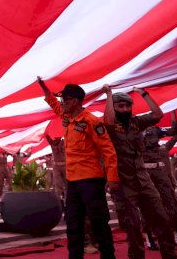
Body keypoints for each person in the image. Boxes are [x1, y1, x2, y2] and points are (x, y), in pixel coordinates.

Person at [37, 78, 119, 259]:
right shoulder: (67, 117)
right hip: (72, 182)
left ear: (74, 102)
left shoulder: (91, 121)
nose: (61, 104)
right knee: (73, 225)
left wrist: (112, 178)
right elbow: (53, 104)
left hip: (91, 181)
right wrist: (44, 88)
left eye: (64, 101)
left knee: (99, 224)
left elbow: (108, 150)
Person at [103, 86, 177, 259]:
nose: (125, 109)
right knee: (133, 227)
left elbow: (158, 115)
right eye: (120, 106)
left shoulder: (137, 122)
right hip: (124, 183)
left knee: (162, 220)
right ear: (114, 107)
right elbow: (108, 122)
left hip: (144, 181)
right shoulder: (111, 125)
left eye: (127, 106)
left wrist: (144, 94)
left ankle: (170, 255)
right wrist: (108, 95)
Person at [143, 110, 177, 250]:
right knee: (147, 207)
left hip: (160, 173)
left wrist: (173, 109)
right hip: (144, 174)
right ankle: (149, 238)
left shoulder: (156, 131)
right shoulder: (131, 132)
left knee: (172, 204)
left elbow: (174, 132)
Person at [46, 133, 66, 201]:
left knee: (67, 183)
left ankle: (68, 197)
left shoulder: (64, 142)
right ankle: (59, 198)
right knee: (57, 183)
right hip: (57, 167)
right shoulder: (53, 143)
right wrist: (46, 132)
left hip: (65, 166)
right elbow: (47, 137)